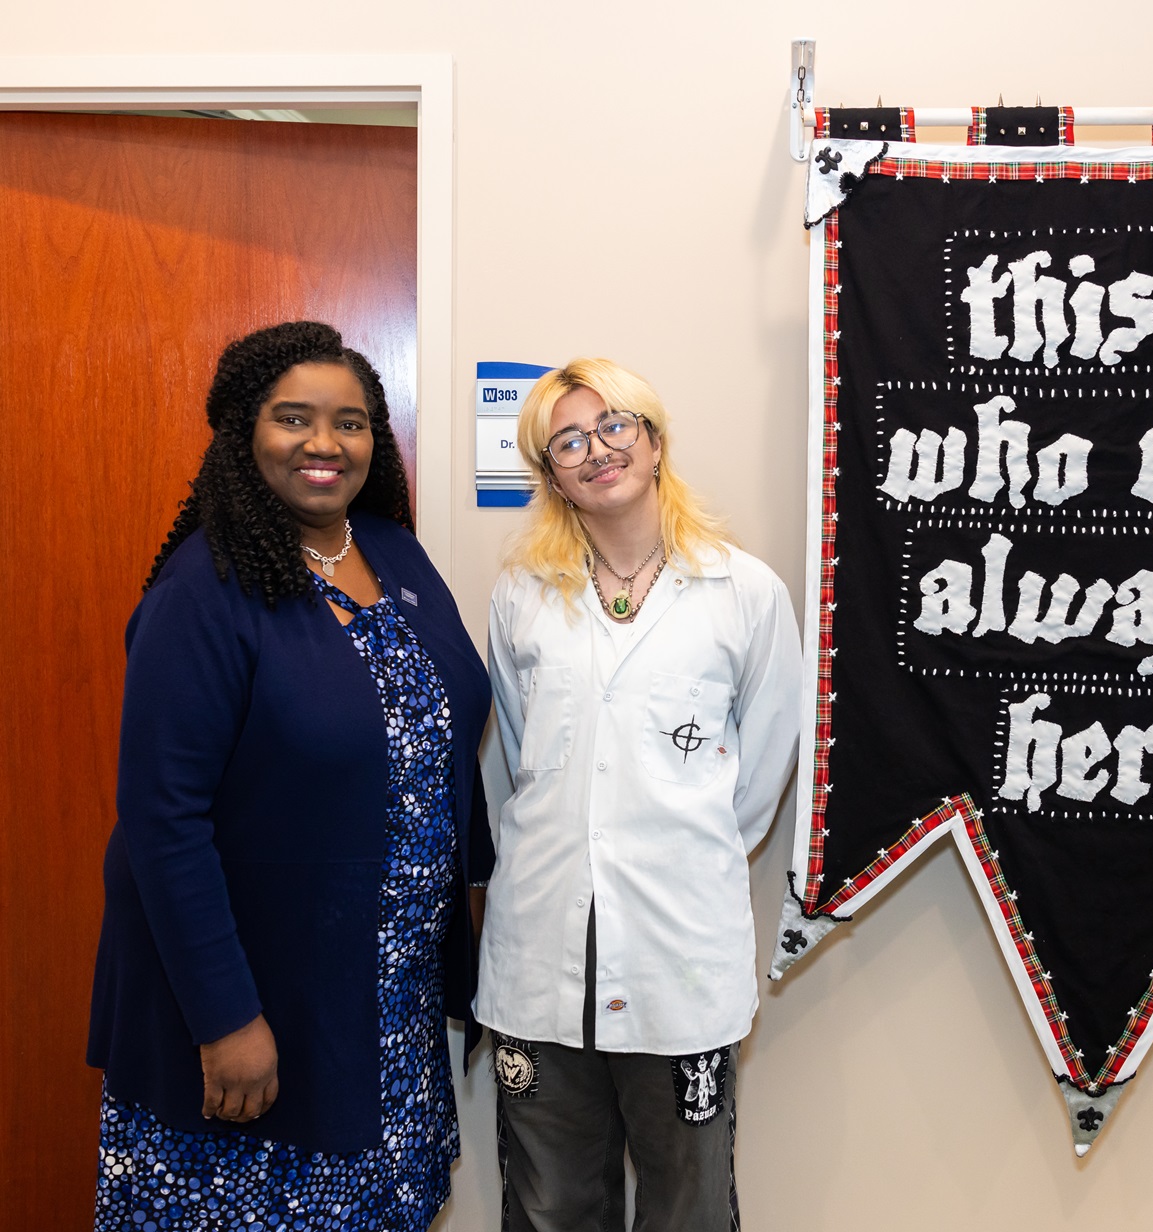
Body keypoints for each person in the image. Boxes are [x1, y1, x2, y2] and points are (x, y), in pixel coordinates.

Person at [87, 321, 493, 1231]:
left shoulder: (392, 549)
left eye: (350, 422)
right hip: (255, 999)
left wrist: (469, 901)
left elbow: (446, 733)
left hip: (385, 1000)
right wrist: (226, 1020)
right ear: (244, 432)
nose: (324, 444)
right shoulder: (202, 591)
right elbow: (164, 822)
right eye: (294, 418)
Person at [479, 358, 800, 1232]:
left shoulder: (744, 593)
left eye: (615, 425)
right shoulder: (522, 597)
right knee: (549, 1207)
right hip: (542, 952)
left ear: (655, 441)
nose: (597, 451)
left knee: (688, 1208)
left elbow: (757, 780)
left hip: (679, 956)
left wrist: (662, 839)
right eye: (568, 441)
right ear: (552, 476)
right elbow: (520, 760)